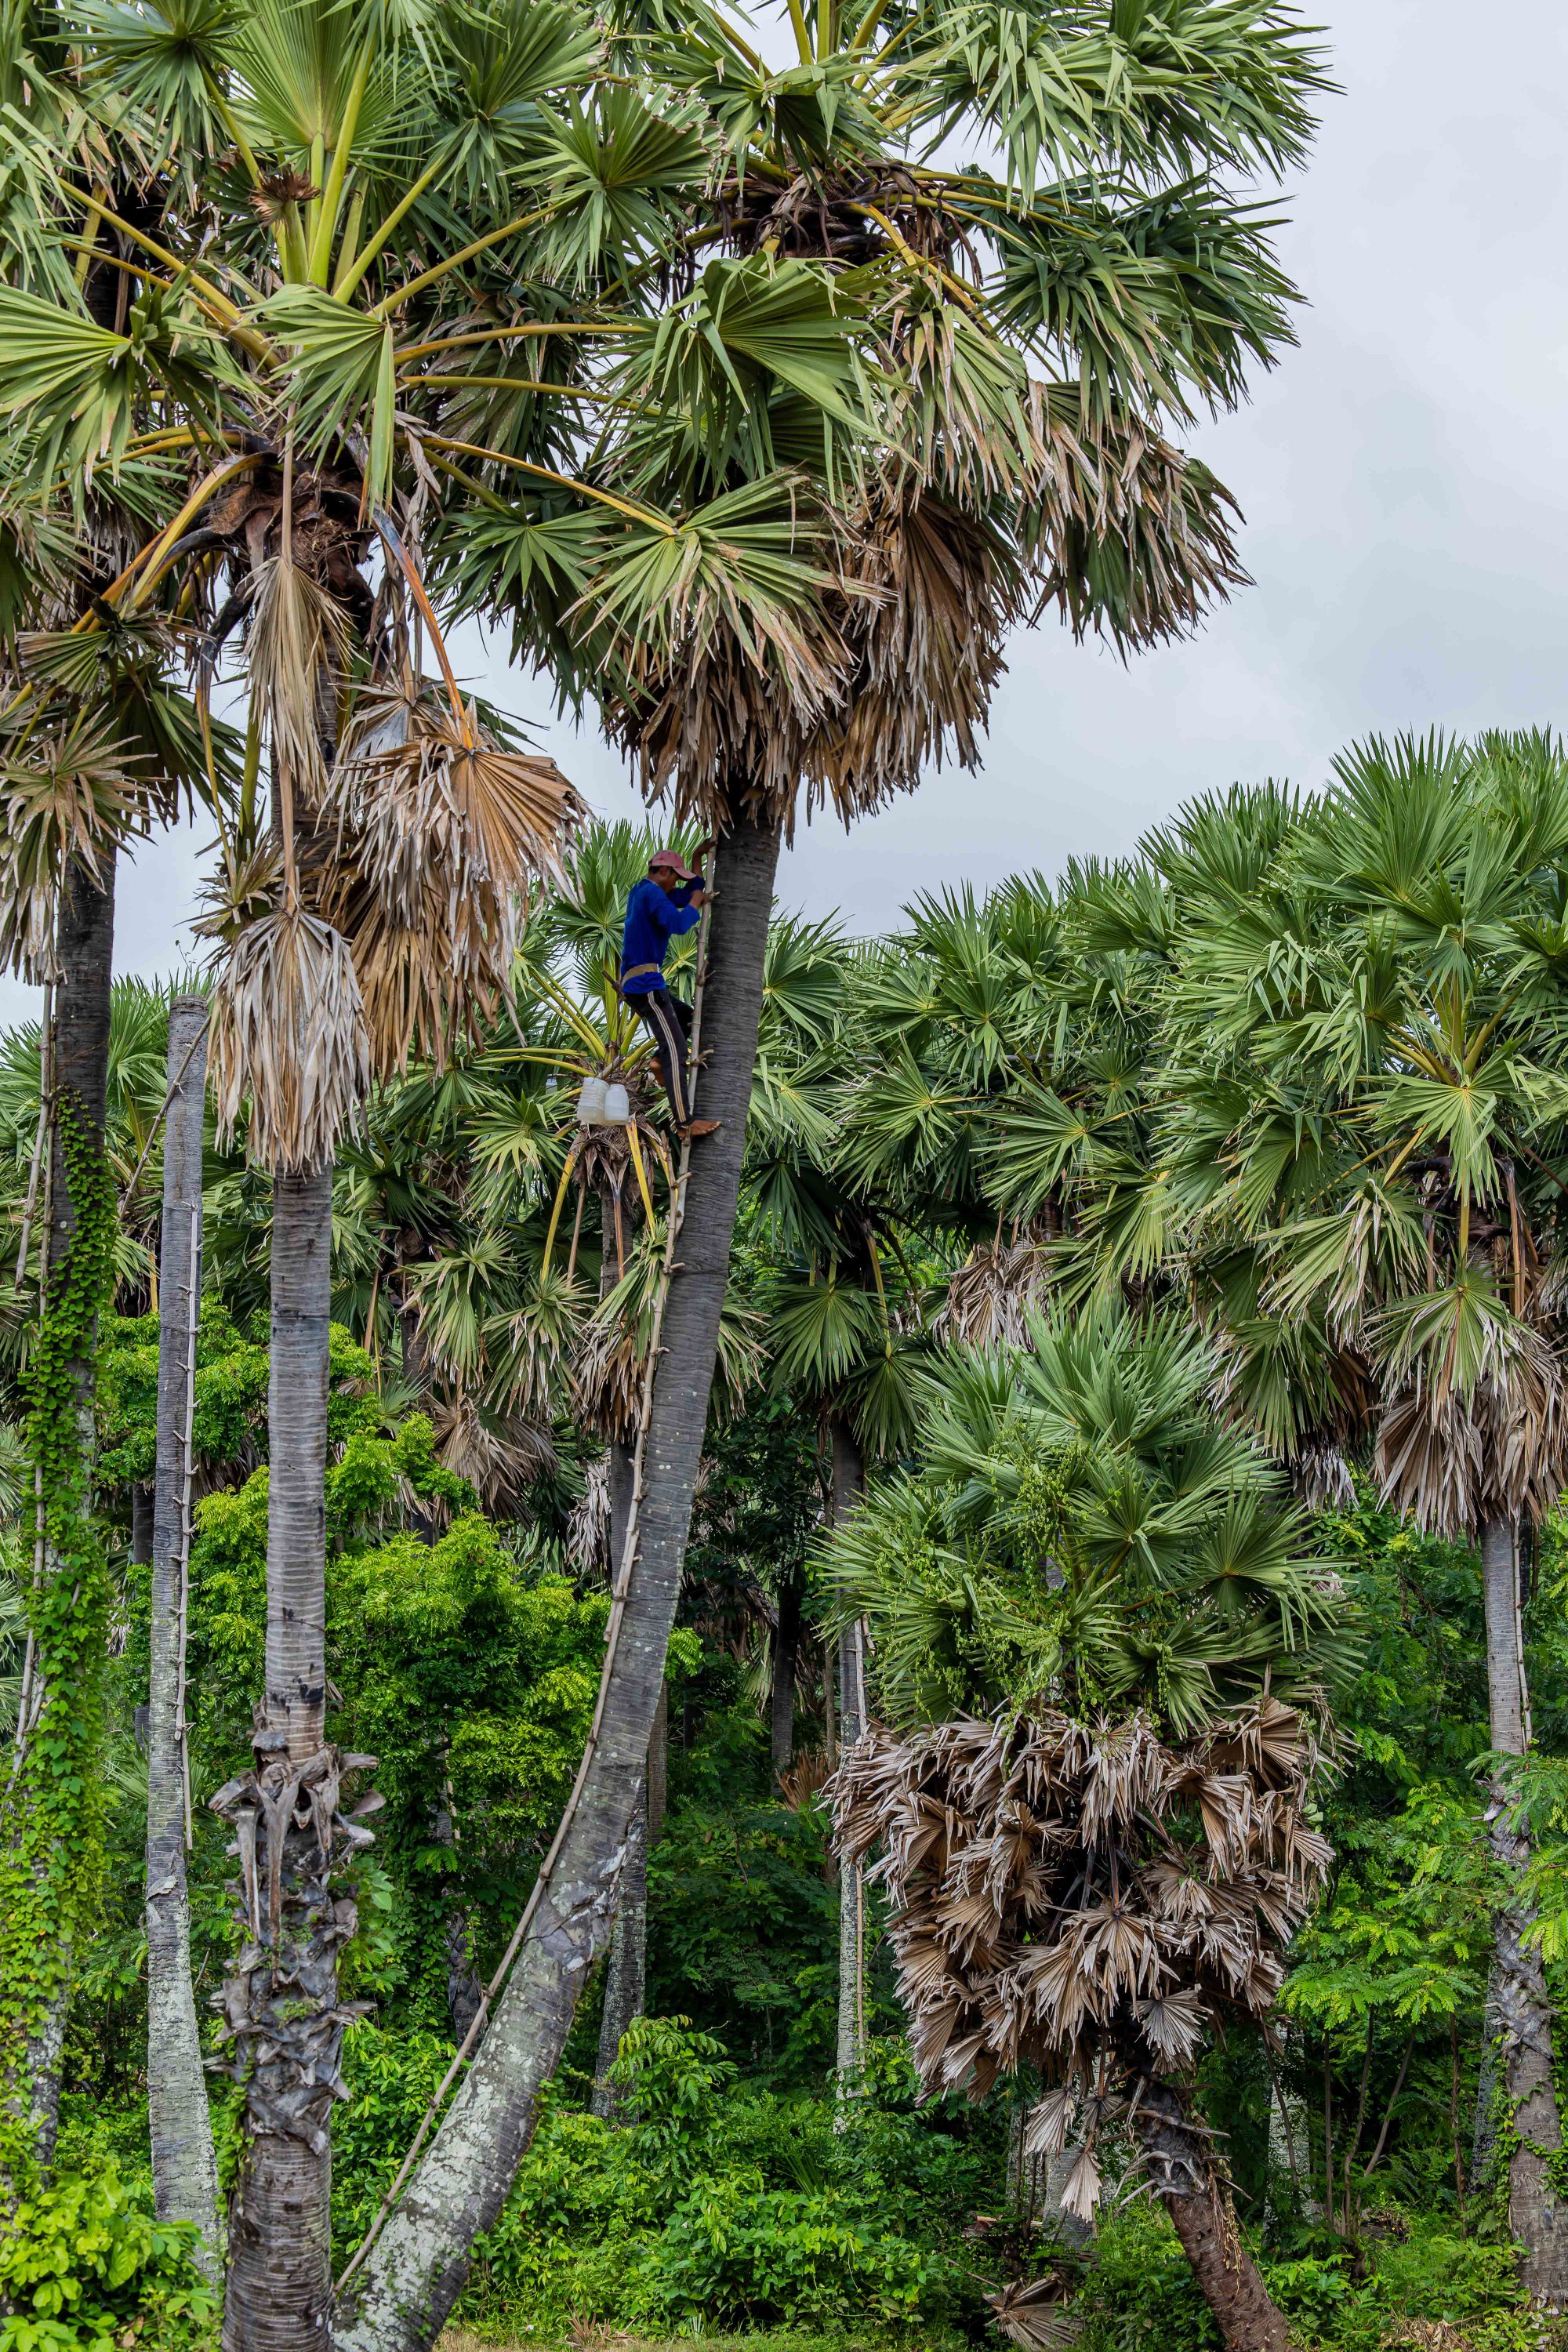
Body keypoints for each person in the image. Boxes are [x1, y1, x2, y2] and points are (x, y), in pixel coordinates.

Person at [619, 844, 720, 1139]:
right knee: (676, 1051)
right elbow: (679, 923)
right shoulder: (651, 893)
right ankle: (685, 1123)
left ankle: (657, 1062)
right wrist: (696, 904)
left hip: (641, 984)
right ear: (663, 872)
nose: (676, 883)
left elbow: (693, 890)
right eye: (674, 877)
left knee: (687, 1018)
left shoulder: (646, 892)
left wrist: (697, 860)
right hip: (646, 985)